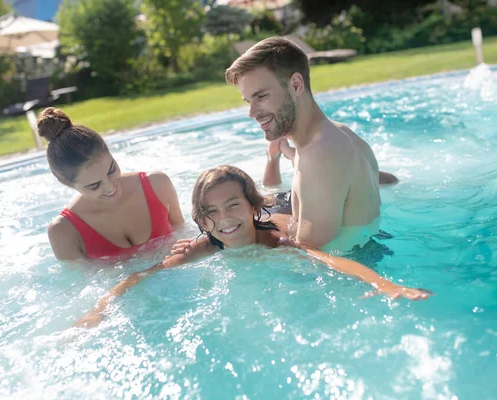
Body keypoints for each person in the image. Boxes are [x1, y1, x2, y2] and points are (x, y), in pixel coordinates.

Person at [74, 166, 430, 328]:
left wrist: (383, 283)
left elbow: (328, 260)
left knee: (361, 185)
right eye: (210, 212)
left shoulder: (275, 240)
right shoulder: (208, 243)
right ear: (201, 219)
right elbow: (143, 274)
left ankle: (374, 172)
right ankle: (273, 160)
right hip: (266, 204)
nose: (223, 219)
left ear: (249, 206)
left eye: (232, 205)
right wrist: (100, 308)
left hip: (286, 206)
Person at [224, 37, 399, 250]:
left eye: (261, 96)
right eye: (249, 101)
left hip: (349, 277)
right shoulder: (339, 134)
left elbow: (308, 257)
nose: (251, 112)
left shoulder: (320, 154)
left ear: (296, 85)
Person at [39, 108, 184, 261]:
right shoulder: (64, 231)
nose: (110, 187)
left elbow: (185, 235)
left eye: (111, 170)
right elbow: (81, 283)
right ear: (66, 183)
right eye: (94, 185)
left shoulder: (157, 184)